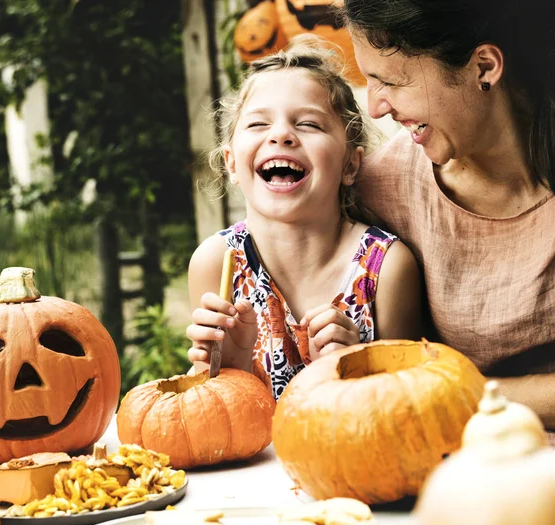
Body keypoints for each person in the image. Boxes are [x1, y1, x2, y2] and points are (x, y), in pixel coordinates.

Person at [343, 0, 555, 426]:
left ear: (483, 67)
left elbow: (415, 389)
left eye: (392, 82)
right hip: (458, 470)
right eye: (369, 81)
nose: (376, 107)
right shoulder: (383, 189)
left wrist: (453, 393)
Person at [185, 39, 422, 399]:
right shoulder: (217, 263)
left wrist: (357, 370)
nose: (281, 134)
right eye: (259, 123)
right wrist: (230, 369)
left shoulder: (386, 268)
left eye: (309, 124)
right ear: (232, 163)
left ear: (350, 164)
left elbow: (411, 401)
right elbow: (207, 413)